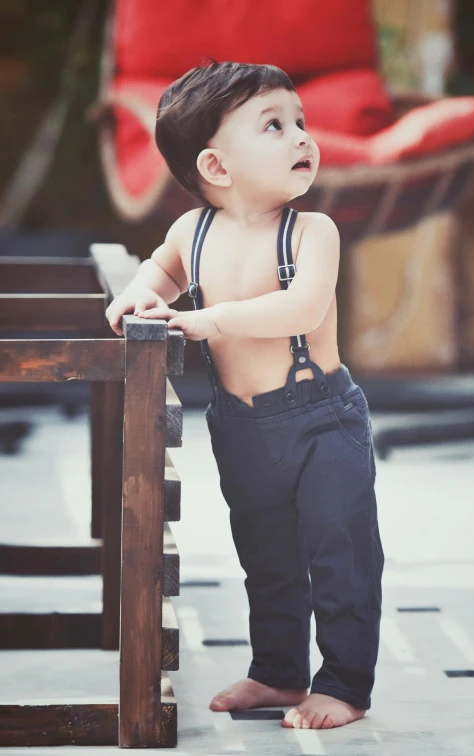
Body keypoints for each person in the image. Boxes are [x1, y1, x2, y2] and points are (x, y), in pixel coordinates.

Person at [105, 59, 384, 730]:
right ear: (218, 168)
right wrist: (140, 294)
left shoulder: (312, 232)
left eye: (301, 122)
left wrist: (210, 321)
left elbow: (303, 309)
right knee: (266, 554)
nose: (300, 139)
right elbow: (160, 273)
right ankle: (278, 671)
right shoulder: (188, 233)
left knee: (339, 553)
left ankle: (344, 683)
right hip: (240, 426)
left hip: (322, 421)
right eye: (274, 126)